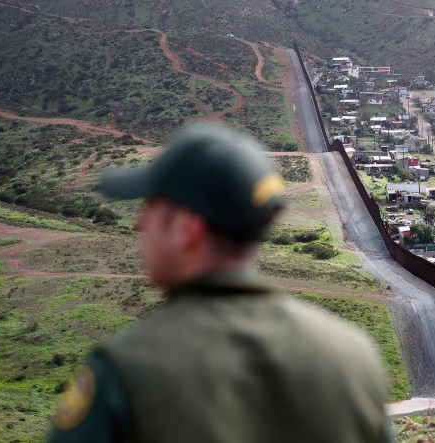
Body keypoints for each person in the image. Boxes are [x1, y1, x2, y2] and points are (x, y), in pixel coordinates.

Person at [48, 124, 390, 442]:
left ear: (187, 226)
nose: (140, 223)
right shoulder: (354, 356)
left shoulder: (123, 372)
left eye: (150, 205)